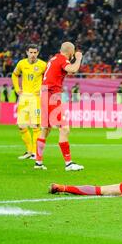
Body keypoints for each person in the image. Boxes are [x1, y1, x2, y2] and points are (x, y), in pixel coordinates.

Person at [34, 42, 84, 171]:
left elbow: (67, 71)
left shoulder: (54, 59)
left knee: (45, 129)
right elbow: (73, 69)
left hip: (45, 92)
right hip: (52, 94)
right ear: (70, 52)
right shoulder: (62, 59)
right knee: (64, 128)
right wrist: (78, 58)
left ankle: (38, 162)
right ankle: (68, 164)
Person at [11, 44, 47, 160]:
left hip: (36, 98)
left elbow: (48, 79)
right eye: (31, 52)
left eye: (35, 52)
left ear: (38, 53)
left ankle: (35, 153)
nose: (33, 55)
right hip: (24, 98)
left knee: (35, 126)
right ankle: (29, 151)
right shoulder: (22, 63)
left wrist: (43, 90)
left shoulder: (42, 65)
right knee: (21, 126)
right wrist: (17, 89)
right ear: (27, 52)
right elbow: (15, 75)